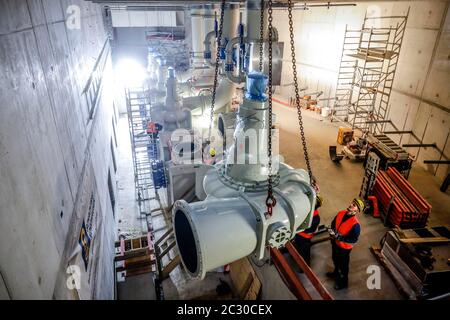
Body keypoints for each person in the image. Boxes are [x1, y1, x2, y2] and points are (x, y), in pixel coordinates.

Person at [326, 198, 364, 290]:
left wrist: (340, 238)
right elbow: (333, 223)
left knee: (343, 266)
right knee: (335, 259)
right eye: (352, 203)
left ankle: (343, 283)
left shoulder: (356, 225)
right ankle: (336, 272)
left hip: (344, 248)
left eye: (354, 205)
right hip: (335, 243)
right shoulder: (341, 213)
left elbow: (354, 240)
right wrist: (332, 231)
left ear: (357, 210)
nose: (351, 205)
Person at [294, 194, 322, 267]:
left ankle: (304, 267)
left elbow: (308, 230)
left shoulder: (316, 218)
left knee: (304, 253)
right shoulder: (307, 211)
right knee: (298, 249)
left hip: (304, 239)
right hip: (299, 235)